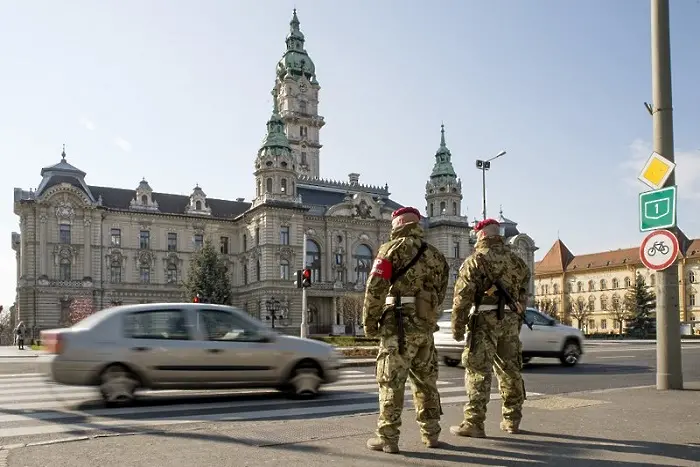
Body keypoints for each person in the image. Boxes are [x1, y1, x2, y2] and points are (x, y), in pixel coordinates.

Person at [362, 206, 450, 454]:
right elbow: (441, 293)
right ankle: (431, 434)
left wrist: (370, 324)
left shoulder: (390, 250)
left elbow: (375, 289)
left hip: (397, 327)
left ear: (397, 225)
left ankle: (388, 438)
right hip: (425, 326)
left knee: (391, 381)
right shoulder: (436, 255)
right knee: (426, 382)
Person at [450, 218, 531, 438]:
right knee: (510, 370)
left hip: (484, 320)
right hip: (510, 321)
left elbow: (461, 299)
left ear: (482, 235)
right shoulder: (517, 262)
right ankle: (512, 419)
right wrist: (517, 318)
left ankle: (474, 422)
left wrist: (457, 328)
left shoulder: (475, 261)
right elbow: (524, 294)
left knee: (478, 371)